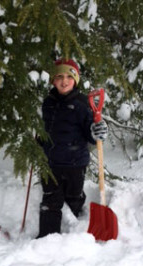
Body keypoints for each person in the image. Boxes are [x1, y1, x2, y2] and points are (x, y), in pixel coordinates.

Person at [37, 58, 108, 238]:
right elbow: (44, 128)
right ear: (53, 80)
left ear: (76, 80)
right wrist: (38, 140)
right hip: (51, 162)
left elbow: (90, 135)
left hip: (75, 162)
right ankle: (47, 238)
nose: (64, 80)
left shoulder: (82, 104)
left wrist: (96, 131)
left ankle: (75, 231)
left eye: (69, 76)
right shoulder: (48, 102)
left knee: (74, 195)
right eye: (59, 76)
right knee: (51, 199)